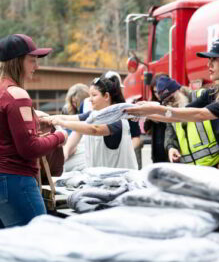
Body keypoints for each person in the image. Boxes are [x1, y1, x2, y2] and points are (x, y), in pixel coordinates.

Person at [125, 37, 219, 177]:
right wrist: (144, 112)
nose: (209, 65)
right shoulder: (215, 92)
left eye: (214, 59)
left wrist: (155, 108)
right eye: (209, 59)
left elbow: (200, 114)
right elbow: (180, 115)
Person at [0, 34, 68, 228]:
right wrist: (59, 136)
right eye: (31, 60)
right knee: (39, 242)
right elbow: (29, 148)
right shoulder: (18, 94)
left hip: (3, 180)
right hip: (16, 181)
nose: (36, 66)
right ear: (17, 61)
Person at [44, 77, 138, 170]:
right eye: (90, 95)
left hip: (122, 180)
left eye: (94, 95)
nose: (90, 99)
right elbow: (67, 118)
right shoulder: (94, 115)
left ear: (106, 96)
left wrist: (62, 123)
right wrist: (46, 118)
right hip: (101, 180)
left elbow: (95, 129)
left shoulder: (118, 119)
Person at [156, 76, 219, 166]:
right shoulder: (171, 111)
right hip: (191, 170)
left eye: (171, 98)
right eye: (166, 102)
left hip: (215, 165)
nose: (170, 103)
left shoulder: (202, 97)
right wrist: (171, 148)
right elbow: (170, 132)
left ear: (180, 90)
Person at [102, 70, 143, 169]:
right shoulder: (97, 112)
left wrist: (125, 152)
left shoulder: (128, 110)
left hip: (125, 166)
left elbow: (136, 138)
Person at [62, 83, 90, 172]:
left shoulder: (87, 110)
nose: (74, 104)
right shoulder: (66, 109)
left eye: (76, 102)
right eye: (72, 101)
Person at [143, 73, 169, 163]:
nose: (157, 94)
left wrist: (159, 117)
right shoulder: (153, 104)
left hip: (170, 153)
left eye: (159, 91)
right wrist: (149, 117)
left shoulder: (173, 103)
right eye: (154, 91)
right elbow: (146, 129)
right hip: (157, 154)